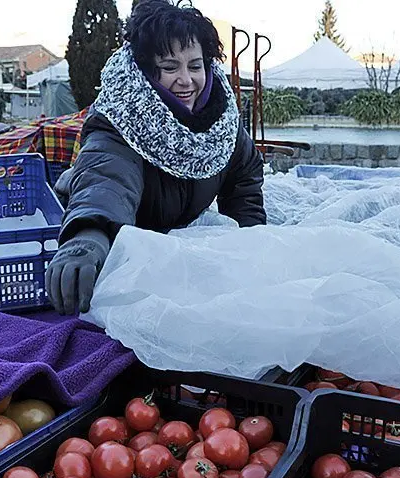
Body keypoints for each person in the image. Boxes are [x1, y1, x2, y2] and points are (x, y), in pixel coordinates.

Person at [46, 0, 266, 315]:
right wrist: (87, 238)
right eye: (169, 67)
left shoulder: (223, 121)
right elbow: (107, 178)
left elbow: (244, 179)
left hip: (171, 236)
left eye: (194, 65)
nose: (186, 80)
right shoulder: (122, 116)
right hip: (114, 226)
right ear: (147, 69)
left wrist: (251, 243)